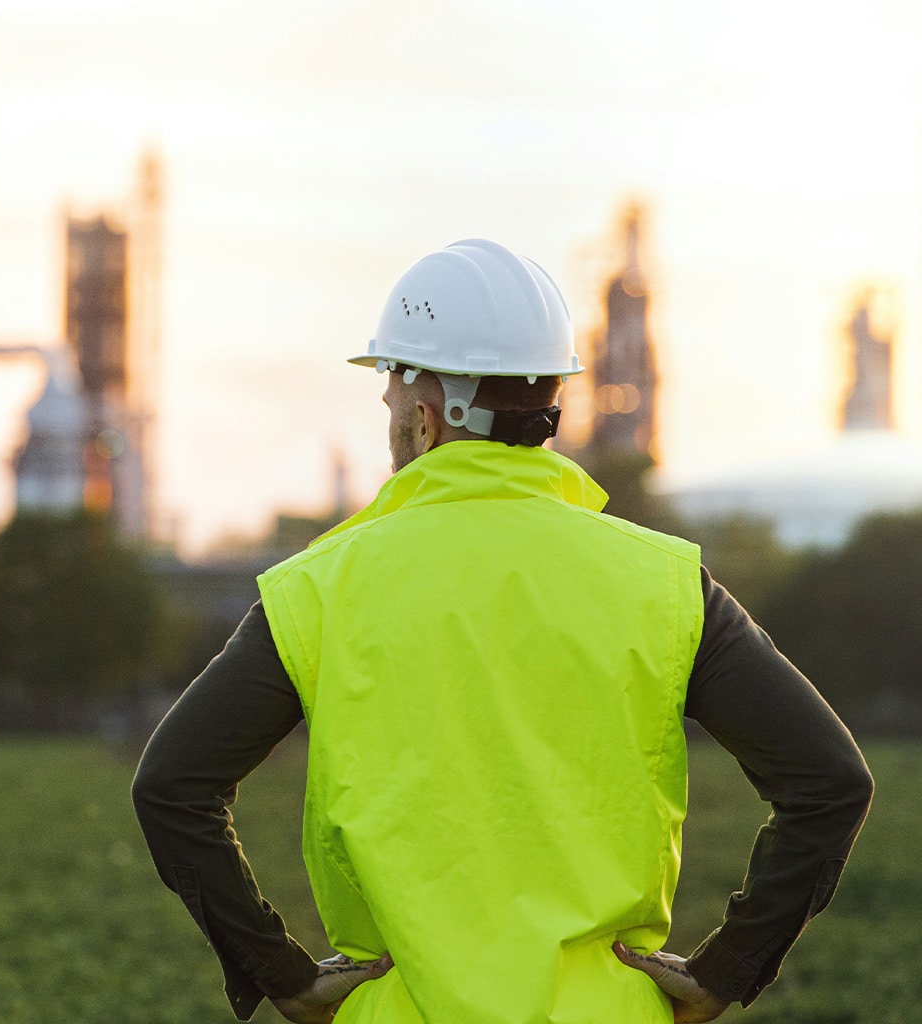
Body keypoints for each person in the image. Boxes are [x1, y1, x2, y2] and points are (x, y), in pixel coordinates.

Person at [132, 239, 873, 1024]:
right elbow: (830, 783)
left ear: (425, 417)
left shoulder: (318, 587)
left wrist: (276, 971)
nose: (389, 419)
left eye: (389, 398)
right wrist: (730, 969)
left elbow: (172, 786)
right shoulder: (663, 583)